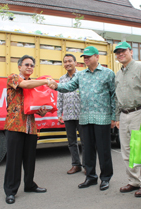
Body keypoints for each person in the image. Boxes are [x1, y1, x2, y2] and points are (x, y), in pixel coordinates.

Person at [49, 46, 115, 191]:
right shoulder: (81, 75)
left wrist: (114, 117)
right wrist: (56, 86)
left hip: (102, 118)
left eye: (88, 56)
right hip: (84, 118)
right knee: (88, 149)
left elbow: (113, 95)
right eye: (84, 57)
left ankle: (105, 178)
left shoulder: (108, 73)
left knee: (103, 150)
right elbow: (68, 87)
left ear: (97, 57)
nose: (86, 59)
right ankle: (90, 177)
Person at [3, 55, 50, 204]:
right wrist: (47, 81)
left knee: (30, 160)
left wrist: (42, 111)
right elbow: (25, 86)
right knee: (13, 161)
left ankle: (29, 185)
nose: (29, 67)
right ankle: (10, 191)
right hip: (15, 125)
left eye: (32, 65)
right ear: (19, 67)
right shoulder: (14, 78)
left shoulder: (33, 84)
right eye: (27, 64)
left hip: (30, 127)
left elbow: (34, 105)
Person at [114, 42, 141, 197]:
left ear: (131, 51)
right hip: (124, 115)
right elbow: (117, 97)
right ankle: (134, 181)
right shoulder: (118, 74)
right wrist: (117, 116)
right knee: (126, 151)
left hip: (140, 112)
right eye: (117, 53)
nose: (120, 54)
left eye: (123, 51)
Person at [57, 54, 85, 174]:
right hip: (68, 115)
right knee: (71, 142)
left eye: (70, 61)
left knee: (85, 142)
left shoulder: (82, 76)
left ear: (75, 62)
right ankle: (76, 165)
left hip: (81, 114)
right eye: (65, 62)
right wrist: (59, 113)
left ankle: (86, 165)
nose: (67, 63)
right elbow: (60, 96)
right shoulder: (62, 79)